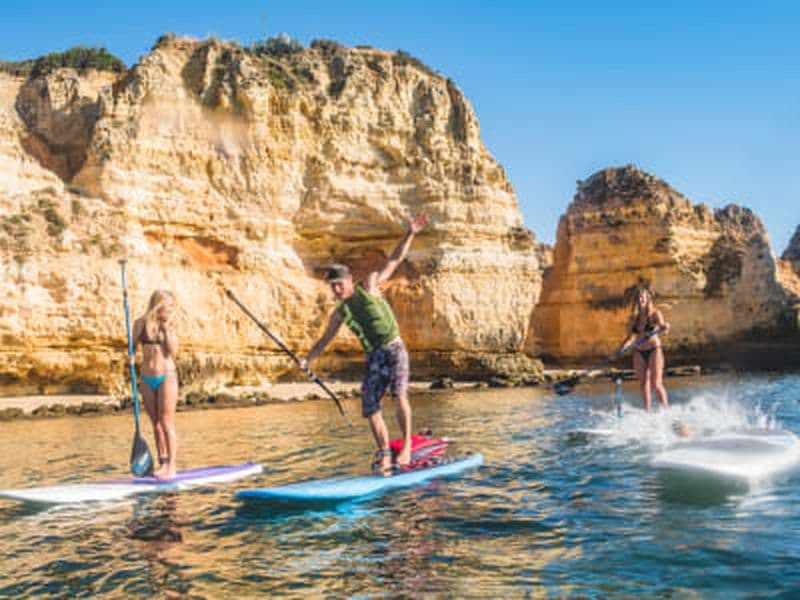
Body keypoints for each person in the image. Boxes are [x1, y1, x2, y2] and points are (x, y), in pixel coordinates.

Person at [300, 213, 429, 474]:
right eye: (332, 287)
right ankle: (385, 452)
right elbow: (324, 340)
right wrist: (307, 360)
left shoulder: (369, 286)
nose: (336, 290)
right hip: (374, 357)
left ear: (349, 281)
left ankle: (405, 447)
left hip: (394, 349)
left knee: (399, 395)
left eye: (339, 285)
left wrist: (410, 233)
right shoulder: (340, 313)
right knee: (369, 402)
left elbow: (394, 260)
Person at [132, 290, 179, 478]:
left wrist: (166, 329)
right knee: (156, 424)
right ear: (158, 305)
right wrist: (130, 356)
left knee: (166, 422)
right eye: (169, 305)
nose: (171, 309)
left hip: (167, 376)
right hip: (146, 377)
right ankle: (163, 463)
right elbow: (131, 347)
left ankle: (172, 467)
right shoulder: (140, 324)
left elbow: (173, 351)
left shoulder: (170, 325)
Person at [615, 284, 670, 411]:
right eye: (639, 298)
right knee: (644, 384)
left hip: (654, 350)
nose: (641, 300)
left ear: (648, 299)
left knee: (656, 384)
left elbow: (663, 328)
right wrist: (622, 348)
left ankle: (666, 410)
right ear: (636, 301)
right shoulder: (633, 318)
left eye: (643, 297)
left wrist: (665, 327)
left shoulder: (655, 314)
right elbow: (629, 338)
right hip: (639, 352)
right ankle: (647, 412)